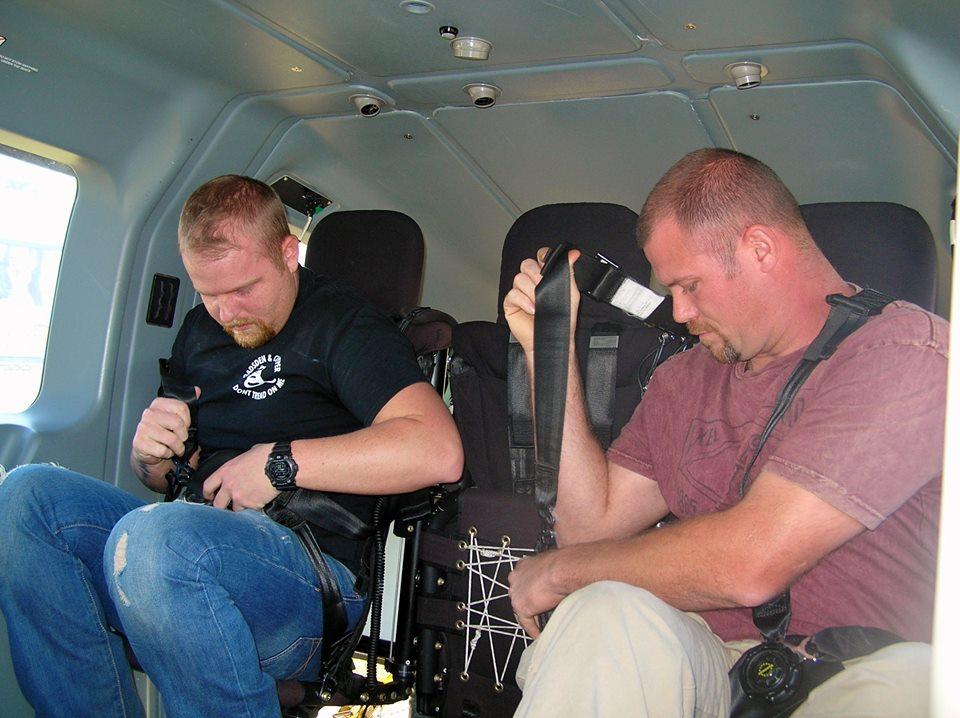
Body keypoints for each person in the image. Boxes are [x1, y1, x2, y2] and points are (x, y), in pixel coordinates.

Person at [502, 149, 946, 717]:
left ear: (759, 249)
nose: (679, 312)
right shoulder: (684, 380)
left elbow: (751, 563)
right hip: (713, 665)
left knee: (913, 685)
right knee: (603, 613)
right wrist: (549, 355)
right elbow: (588, 530)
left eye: (689, 285)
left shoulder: (903, 353)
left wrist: (560, 575)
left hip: (853, 669)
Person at [0, 175, 463, 717]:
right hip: (185, 550)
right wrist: (151, 458)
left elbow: (437, 450)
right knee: (26, 498)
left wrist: (280, 464)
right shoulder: (200, 329)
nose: (227, 312)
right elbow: (171, 477)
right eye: (209, 292)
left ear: (289, 253)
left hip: (306, 578)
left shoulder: (345, 324)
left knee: (157, 540)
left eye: (244, 288)